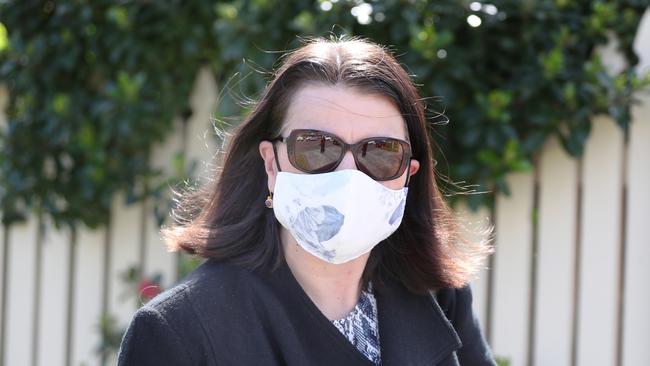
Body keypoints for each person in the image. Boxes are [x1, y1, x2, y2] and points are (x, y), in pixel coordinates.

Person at [117, 37, 496, 365]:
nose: (349, 175)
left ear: (408, 174)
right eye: (316, 147)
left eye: (380, 152)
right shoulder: (181, 331)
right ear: (272, 163)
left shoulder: (440, 298)